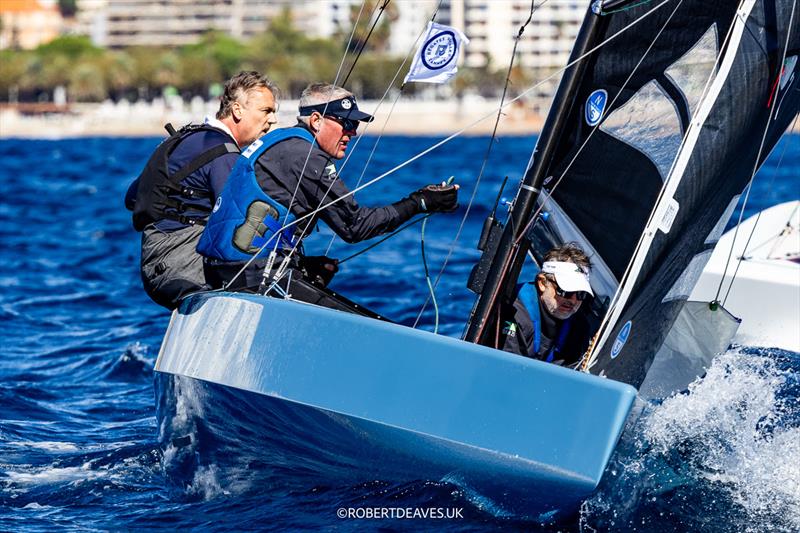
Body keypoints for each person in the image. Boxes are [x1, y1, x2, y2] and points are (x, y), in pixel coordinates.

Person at [197, 83, 460, 295]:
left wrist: (303, 265)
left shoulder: (279, 141)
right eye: (346, 123)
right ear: (316, 120)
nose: (352, 132)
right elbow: (355, 226)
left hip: (222, 272)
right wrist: (420, 202)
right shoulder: (305, 156)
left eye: (355, 125)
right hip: (251, 277)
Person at [124, 71, 279, 309]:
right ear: (237, 110)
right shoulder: (224, 152)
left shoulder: (187, 137)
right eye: (266, 111)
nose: (273, 120)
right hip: (179, 267)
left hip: (155, 263)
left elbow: (132, 197)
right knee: (274, 273)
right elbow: (241, 218)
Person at [500, 243, 594, 367]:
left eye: (581, 293)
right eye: (566, 291)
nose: (573, 300)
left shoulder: (580, 326)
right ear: (542, 283)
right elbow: (506, 370)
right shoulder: (513, 313)